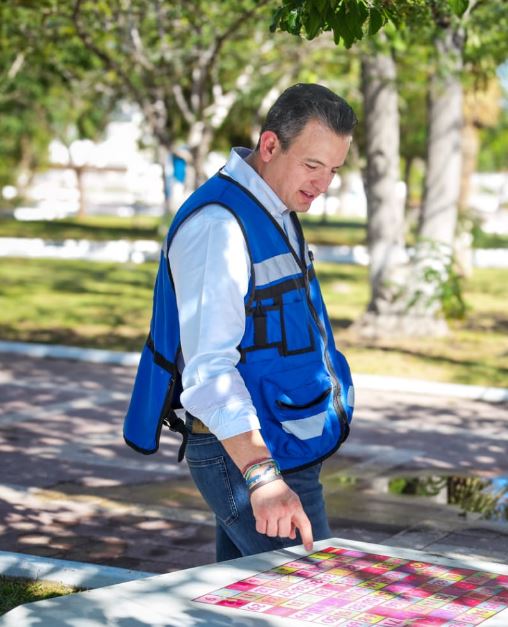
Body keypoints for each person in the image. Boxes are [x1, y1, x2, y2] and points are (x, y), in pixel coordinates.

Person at [123, 83, 357, 561]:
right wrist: (262, 477)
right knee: (313, 592)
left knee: (249, 595)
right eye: (312, 165)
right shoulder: (219, 226)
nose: (323, 183)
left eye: (333, 170)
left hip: (280, 444)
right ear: (269, 145)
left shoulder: (273, 203)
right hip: (251, 456)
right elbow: (209, 370)